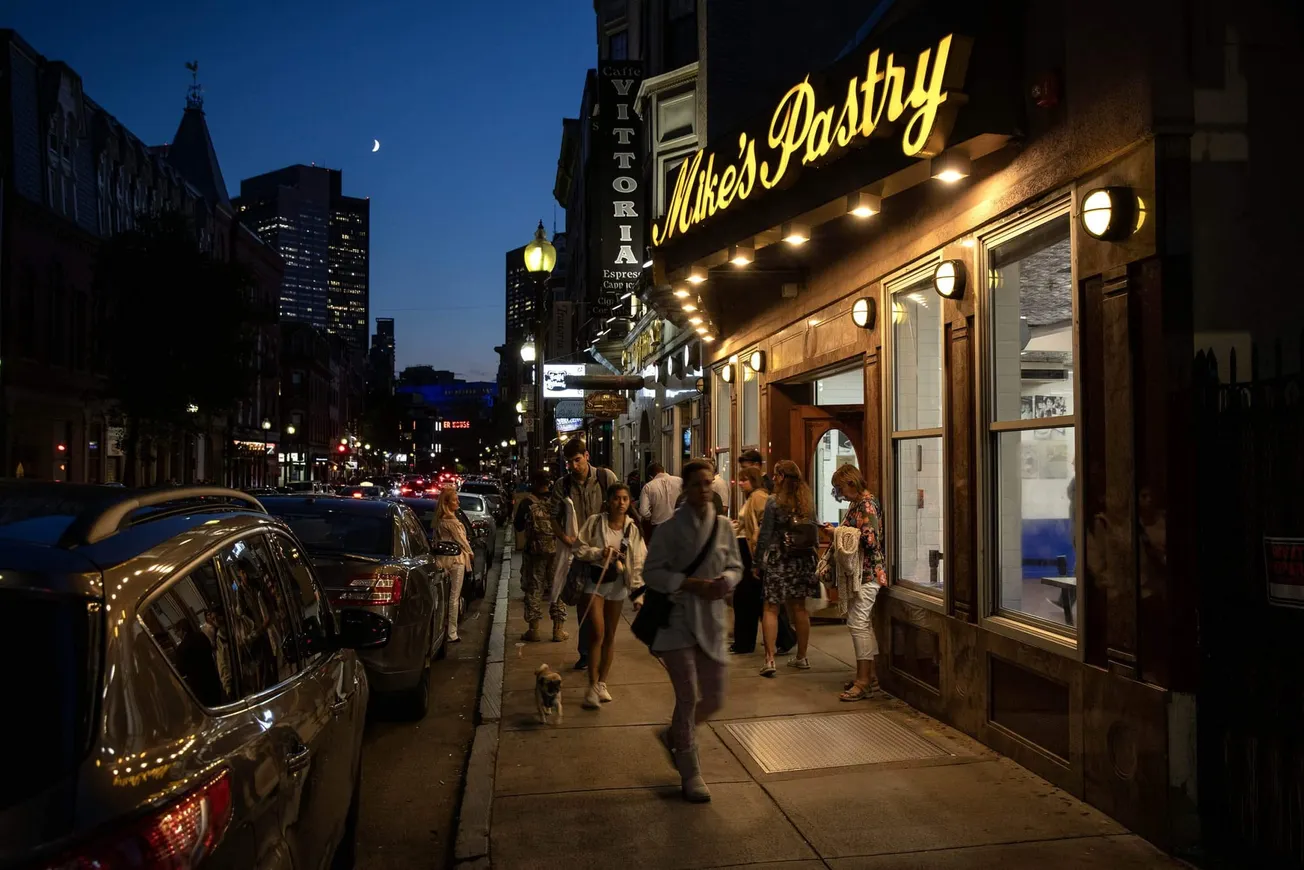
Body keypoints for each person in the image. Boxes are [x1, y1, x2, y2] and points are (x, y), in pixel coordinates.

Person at [644, 460, 742, 803]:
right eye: (698, 484)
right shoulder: (670, 529)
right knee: (686, 696)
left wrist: (725, 582)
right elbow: (652, 572)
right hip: (677, 621)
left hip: (712, 622)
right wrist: (688, 583)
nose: (704, 489)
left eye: (708, 483)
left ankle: (674, 734)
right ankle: (690, 770)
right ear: (685, 488)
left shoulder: (724, 526)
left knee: (713, 698)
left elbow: (736, 566)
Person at [574, 482, 646, 708]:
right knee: (598, 632)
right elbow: (579, 548)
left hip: (618, 585)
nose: (621, 503)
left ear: (629, 502)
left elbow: (639, 562)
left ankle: (602, 683)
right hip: (596, 583)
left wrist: (638, 594)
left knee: (610, 636)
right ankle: (592, 684)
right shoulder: (595, 522)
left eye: (625, 499)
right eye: (616, 498)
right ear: (608, 501)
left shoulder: (632, 529)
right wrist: (599, 552)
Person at [550, 438, 618, 668]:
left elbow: (620, 505)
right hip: (580, 552)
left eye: (577, 460)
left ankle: (602, 650)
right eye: (569, 462)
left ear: (587, 456)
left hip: (605, 549)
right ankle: (587, 654)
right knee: (585, 604)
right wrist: (566, 538)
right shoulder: (563, 484)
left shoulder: (605, 477)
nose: (574, 466)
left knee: (607, 603)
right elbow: (553, 517)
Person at [825, 464, 887, 701]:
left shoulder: (867, 504)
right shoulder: (858, 503)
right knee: (862, 624)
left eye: (840, 488)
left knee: (857, 623)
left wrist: (837, 534)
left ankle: (864, 682)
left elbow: (870, 541)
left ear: (851, 483)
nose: (840, 494)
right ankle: (870, 677)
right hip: (864, 573)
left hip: (868, 573)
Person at [754, 459, 819, 677]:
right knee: (799, 608)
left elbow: (765, 534)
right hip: (801, 560)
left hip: (779, 559)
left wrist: (757, 562)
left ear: (782, 477)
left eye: (775, 475)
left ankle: (770, 659)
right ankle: (802, 657)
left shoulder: (774, 502)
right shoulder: (807, 502)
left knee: (771, 607)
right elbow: (814, 534)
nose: (773, 479)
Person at [515, 471, 566, 642]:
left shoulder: (527, 502)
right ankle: (558, 630)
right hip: (556, 550)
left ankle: (534, 629)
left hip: (535, 552)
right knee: (557, 588)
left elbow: (519, 526)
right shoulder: (556, 501)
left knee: (534, 588)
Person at [729, 466, 769, 654]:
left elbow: (763, 523)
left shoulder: (759, 496)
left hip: (750, 552)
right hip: (745, 549)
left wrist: (756, 544)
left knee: (744, 598)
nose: (740, 483)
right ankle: (784, 637)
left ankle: (744, 642)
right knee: (753, 599)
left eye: (744, 479)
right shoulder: (751, 498)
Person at [434, 485, 474, 643]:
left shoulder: (440, 521)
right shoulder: (451, 521)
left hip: (442, 561)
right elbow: (462, 541)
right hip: (456, 560)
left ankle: (443, 630)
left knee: (443, 597)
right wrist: (470, 552)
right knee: (454, 597)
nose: (458, 502)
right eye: (455, 500)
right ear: (447, 502)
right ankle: (452, 632)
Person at [637, 461, 682, 541]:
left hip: (658, 528)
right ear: (664, 470)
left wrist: (649, 516)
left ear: (650, 477)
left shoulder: (648, 487)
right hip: (679, 525)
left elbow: (643, 511)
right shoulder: (680, 481)